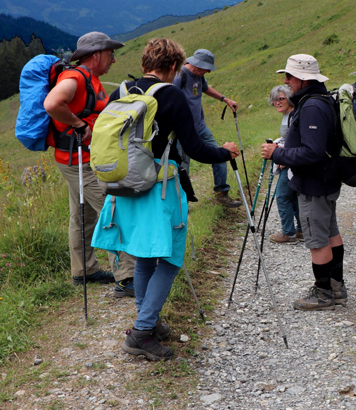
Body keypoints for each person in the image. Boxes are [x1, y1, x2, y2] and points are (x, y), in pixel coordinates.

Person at [91, 38, 240, 360]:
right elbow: (196, 148)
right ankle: (142, 332)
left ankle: (150, 319)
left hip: (124, 187)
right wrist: (225, 153)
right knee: (171, 260)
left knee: (145, 256)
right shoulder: (170, 94)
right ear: (173, 66)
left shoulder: (123, 91)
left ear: (145, 61)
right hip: (159, 188)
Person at [43, 31, 136, 295]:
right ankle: (127, 278)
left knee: (82, 216)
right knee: (113, 210)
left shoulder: (89, 79)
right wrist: (79, 123)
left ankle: (85, 270)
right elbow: (52, 103)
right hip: (80, 161)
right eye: (110, 54)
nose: (113, 60)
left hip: (77, 158)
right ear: (95, 55)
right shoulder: (75, 77)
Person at [260, 54, 346, 311]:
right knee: (331, 233)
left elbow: (312, 152)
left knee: (317, 239)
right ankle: (336, 288)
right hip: (326, 179)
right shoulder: (321, 100)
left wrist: (277, 153)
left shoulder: (310, 107)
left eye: (289, 76)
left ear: (303, 78)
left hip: (313, 182)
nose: (285, 82)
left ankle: (323, 294)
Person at [172, 48, 242, 208]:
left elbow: (205, 88)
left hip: (200, 127)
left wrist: (224, 99)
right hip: (182, 131)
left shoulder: (199, 75)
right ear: (197, 64)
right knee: (183, 167)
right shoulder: (179, 76)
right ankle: (182, 204)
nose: (209, 71)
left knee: (221, 155)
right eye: (207, 67)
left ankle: (222, 194)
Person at [267, 84, 303, 244]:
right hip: (290, 159)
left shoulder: (294, 116)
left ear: (289, 99)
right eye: (275, 99)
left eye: (281, 98)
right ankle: (302, 230)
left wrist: (283, 157)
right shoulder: (289, 115)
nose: (277, 102)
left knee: (282, 196)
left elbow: (297, 140)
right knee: (293, 196)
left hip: (290, 162)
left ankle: (288, 234)